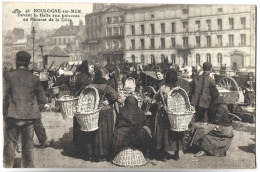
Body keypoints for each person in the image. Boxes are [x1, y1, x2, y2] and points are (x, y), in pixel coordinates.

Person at [3, 51, 46, 167]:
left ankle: (7, 167)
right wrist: (35, 111)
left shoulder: (8, 76)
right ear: (28, 63)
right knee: (28, 147)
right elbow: (43, 99)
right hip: (29, 118)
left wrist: (4, 113)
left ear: (16, 62)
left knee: (9, 145)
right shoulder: (34, 78)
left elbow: (3, 97)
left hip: (12, 117)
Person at [153, 69, 186, 161]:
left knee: (164, 132)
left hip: (165, 114)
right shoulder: (179, 89)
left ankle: (164, 154)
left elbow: (155, 97)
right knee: (176, 133)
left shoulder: (163, 88)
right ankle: (176, 154)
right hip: (176, 114)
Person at [91, 67, 120, 161]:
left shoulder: (92, 85)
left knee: (96, 132)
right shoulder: (106, 86)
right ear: (103, 76)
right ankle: (104, 153)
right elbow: (115, 96)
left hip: (94, 111)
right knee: (105, 132)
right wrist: (109, 100)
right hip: (105, 111)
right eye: (107, 75)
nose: (108, 77)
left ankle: (95, 153)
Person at [73, 60, 93, 155]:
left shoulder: (79, 76)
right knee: (85, 124)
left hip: (78, 101)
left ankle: (77, 146)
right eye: (90, 67)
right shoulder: (87, 78)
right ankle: (85, 149)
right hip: (85, 102)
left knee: (78, 123)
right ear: (86, 67)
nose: (91, 68)